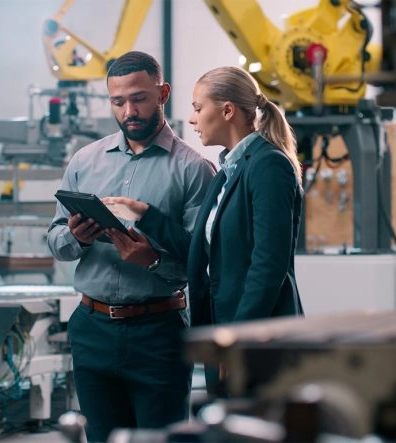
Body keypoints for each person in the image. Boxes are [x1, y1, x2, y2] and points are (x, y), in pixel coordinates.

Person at [47, 51, 216, 442]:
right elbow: (56, 240)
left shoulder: (194, 170)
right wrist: (77, 236)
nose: (129, 111)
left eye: (139, 98)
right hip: (92, 329)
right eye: (118, 102)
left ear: (163, 94)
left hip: (158, 333)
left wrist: (153, 259)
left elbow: (201, 263)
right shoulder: (84, 161)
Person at [104, 65, 304, 395]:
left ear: (227, 111)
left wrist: (236, 340)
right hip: (224, 329)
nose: (192, 119)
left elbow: (269, 266)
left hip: (255, 336)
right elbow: (202, 249)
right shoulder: (229, 168)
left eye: (198, 108)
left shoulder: (268, 165)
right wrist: (144, 214)